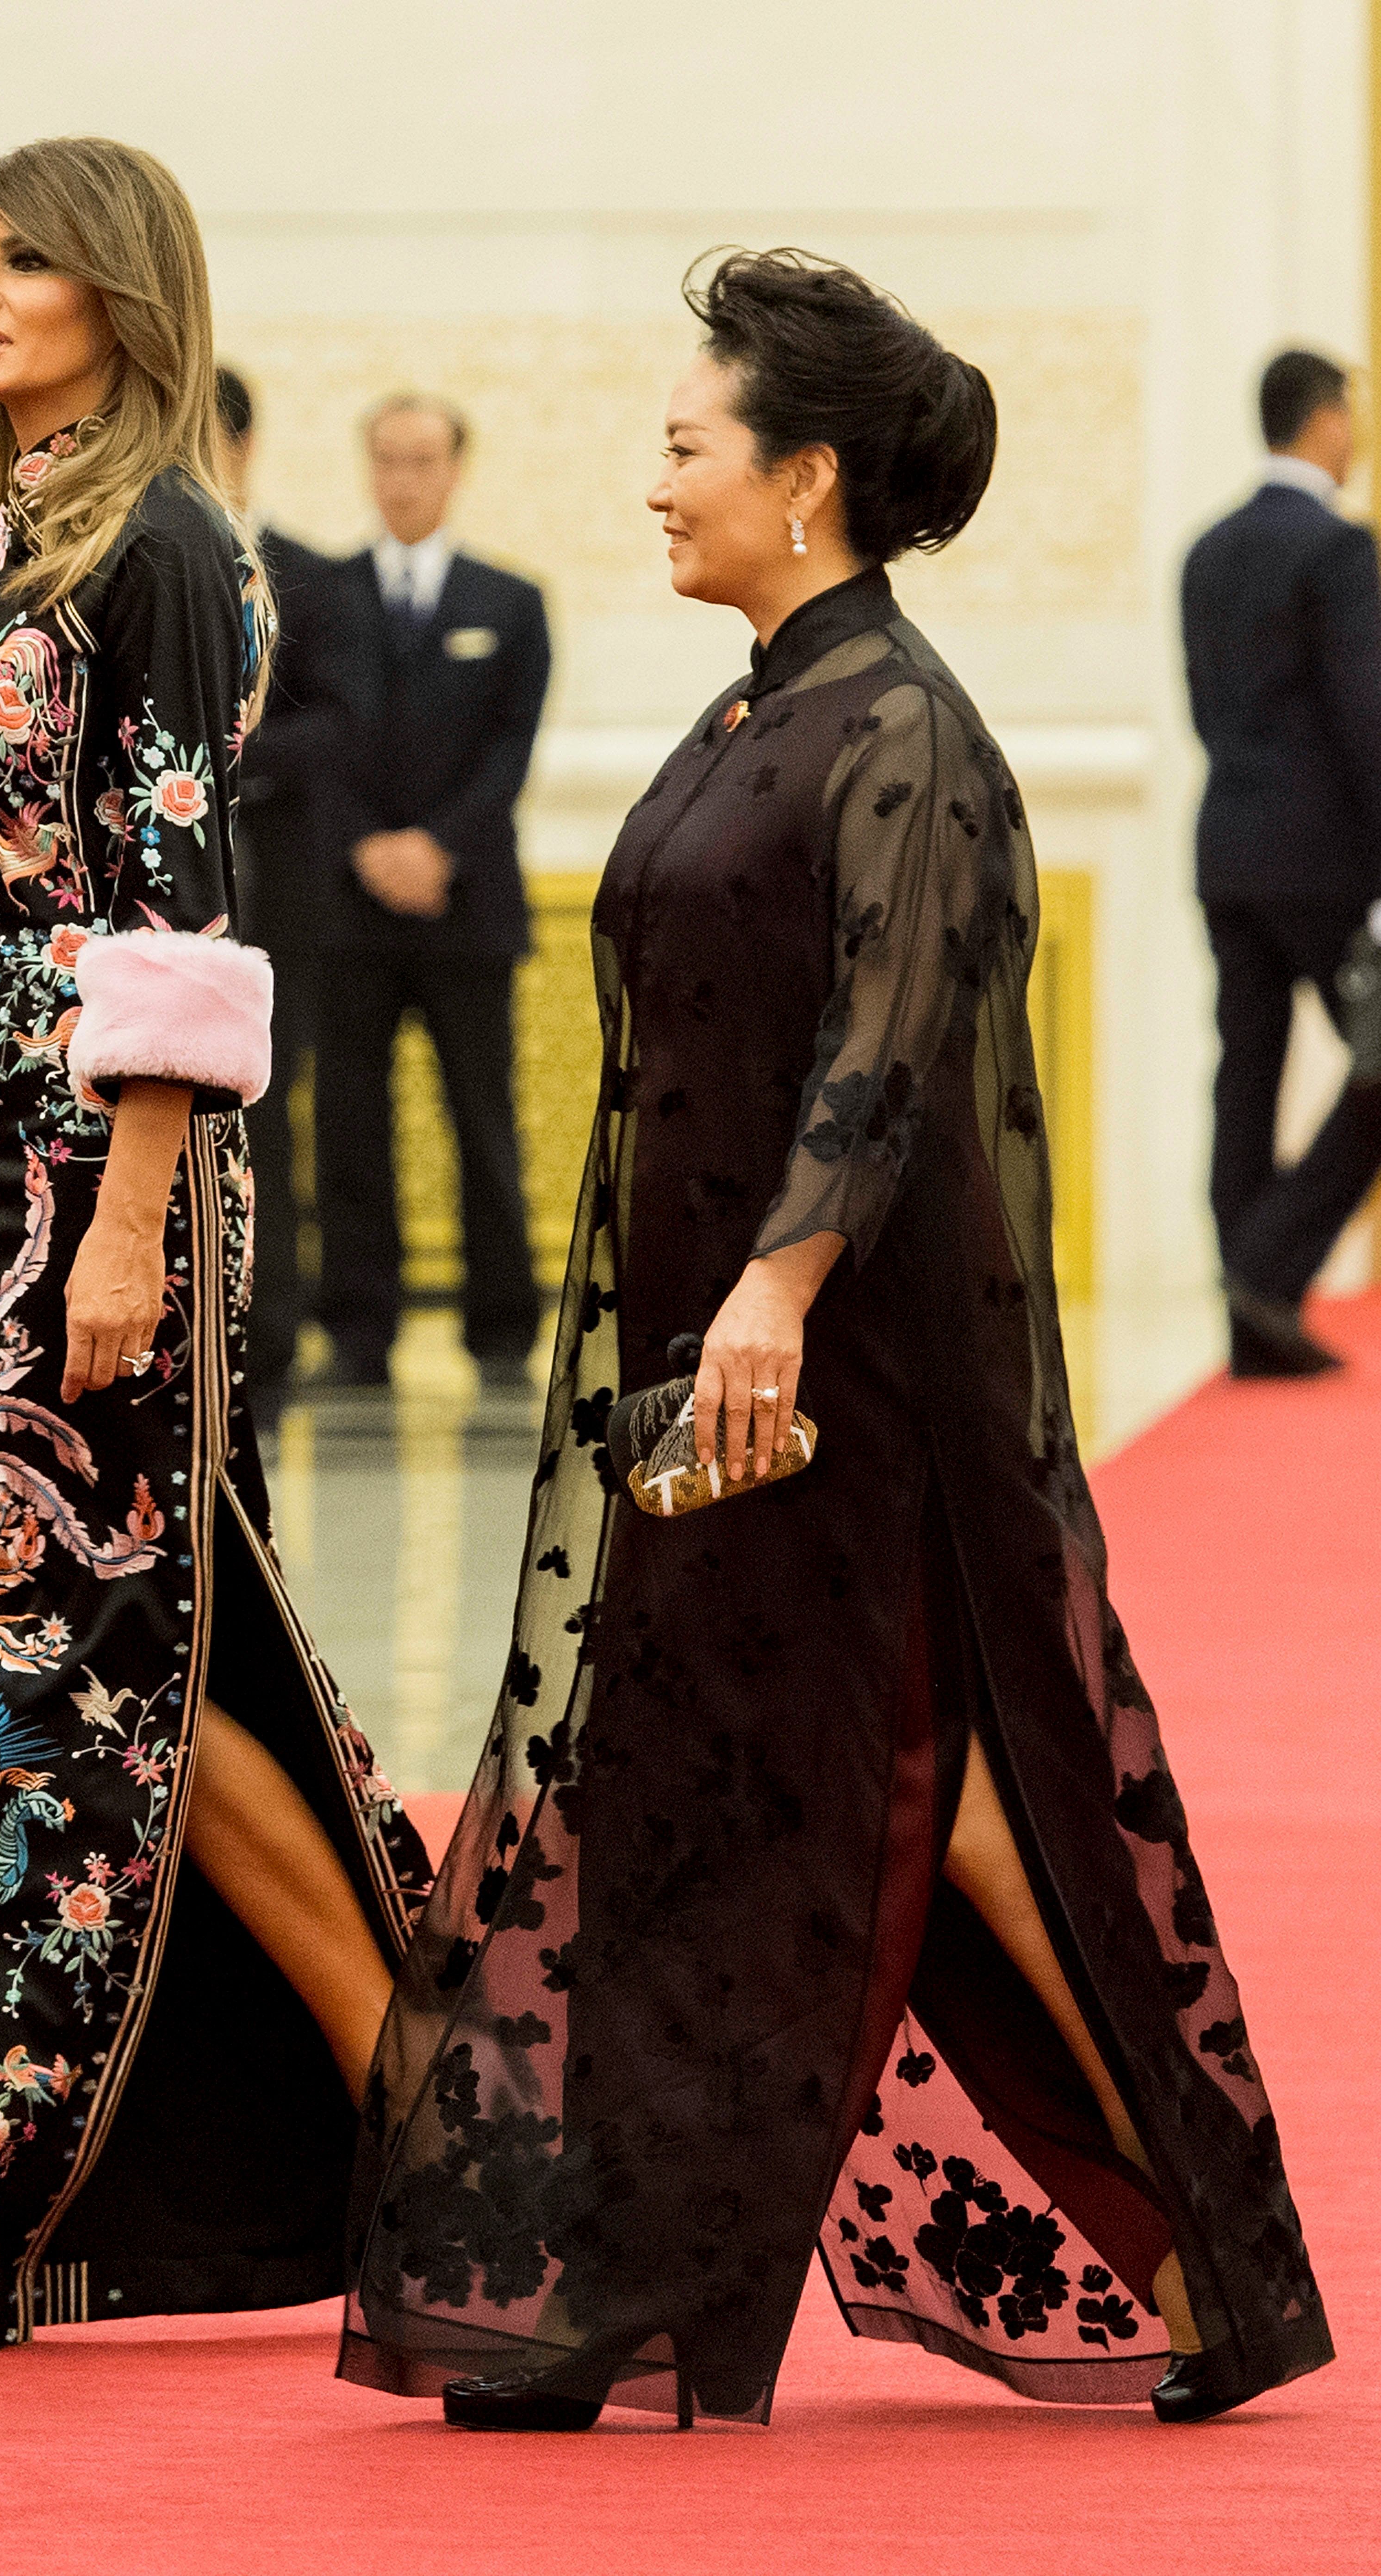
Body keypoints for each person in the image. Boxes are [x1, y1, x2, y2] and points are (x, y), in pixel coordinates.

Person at [340, 252, 1331, 2433]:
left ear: (804, 477)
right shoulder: (759, 705)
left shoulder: (903, 730)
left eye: (687, 446)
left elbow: (883, 1040)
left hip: (834, 1387)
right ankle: (700, 2269)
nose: (656, 481)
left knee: (881, 1797)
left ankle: (672, 2281)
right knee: (762, 1796)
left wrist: (777, 1287)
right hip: (722, 1375)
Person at [0, 136, 429, 2359]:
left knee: (113, 1658)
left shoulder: (164, 552)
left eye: (25, 256)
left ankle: (422, 2111)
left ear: (124, 290)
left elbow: (167, 901)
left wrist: (133, 1215)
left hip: (92, 1193)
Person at [314, 394, 550, 1390]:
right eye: (386, 459)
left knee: (480, 1120)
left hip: (468, 907)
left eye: (422, 459)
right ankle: (359, 1329)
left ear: (456, 469)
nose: (403, 477)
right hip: (346, 907)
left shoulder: (510, 601)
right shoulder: (319, 597)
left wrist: (435, 848)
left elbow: (509, 751)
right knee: (349, 1128)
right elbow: (307, 742)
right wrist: (367, 846)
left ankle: (500, 1330)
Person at [1182, 347, 1381, 1377]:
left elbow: (1206, 713)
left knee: (1244, 1078)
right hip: (1319, 862)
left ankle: (1245, 1320)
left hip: (1225, 850)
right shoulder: (1336, 551)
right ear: (1322, 420)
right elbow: (1365, 720)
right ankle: (1263, 1269)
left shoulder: (1204, 552)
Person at [212, 364, 357, 1429]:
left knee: (270, 1119)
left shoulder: (305, 574)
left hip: (281, 894)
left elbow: (335, 725)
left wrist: (219, 761)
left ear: (242, 446)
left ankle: (267, 1336)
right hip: (163, 903)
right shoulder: (132, 562)